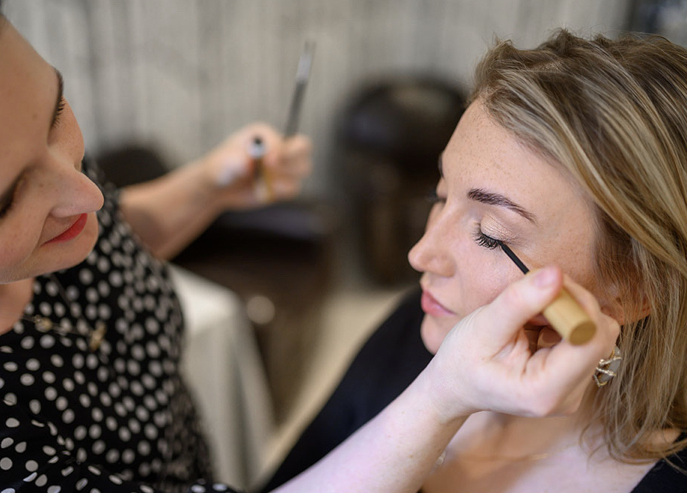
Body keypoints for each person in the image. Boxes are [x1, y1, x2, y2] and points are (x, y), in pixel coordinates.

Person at [0, 2, 624, 492]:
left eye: (57, 113)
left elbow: (105, 233)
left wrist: (209, 186)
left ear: (634, 287)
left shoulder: (51, 182)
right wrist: (441, 397)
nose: (85, 193)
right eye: (4, 205)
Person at [259, 29, 687, 493]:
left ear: (633, 291)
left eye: (489, 234)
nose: (420, 254)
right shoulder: (417, 329)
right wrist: (438, 398)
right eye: (439, 195)